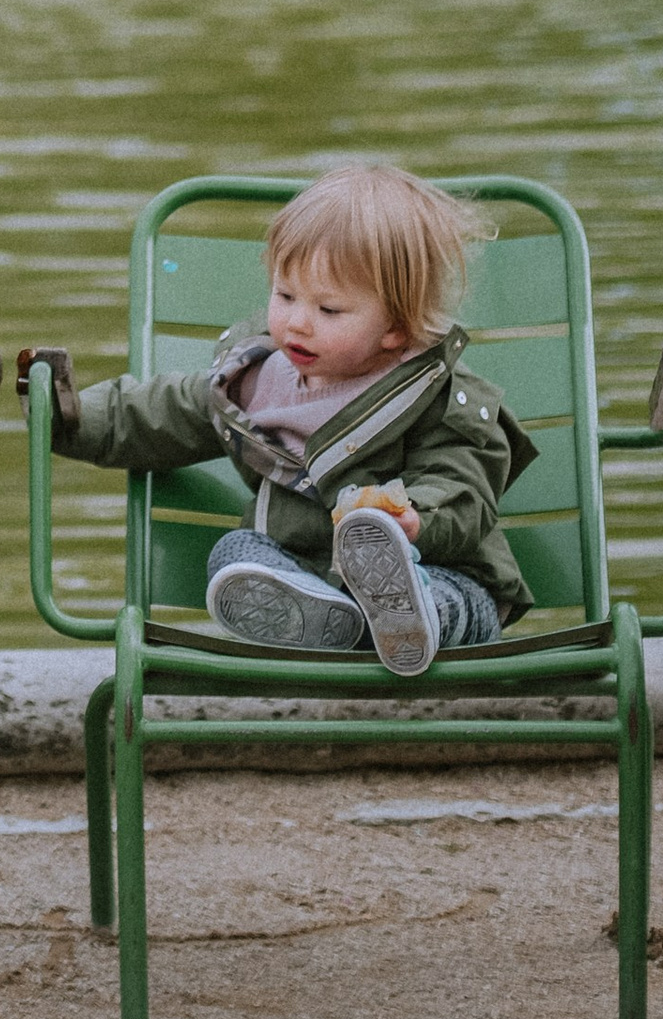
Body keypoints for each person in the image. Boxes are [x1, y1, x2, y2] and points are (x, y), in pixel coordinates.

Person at [41, 163, 534, 672]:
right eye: (285, 295)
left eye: (329, 310)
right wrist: (64, 416)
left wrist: (414, 518)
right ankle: (334, 625)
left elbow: (463, 488)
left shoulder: (440, 396)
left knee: (453, 604)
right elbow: (155, 413)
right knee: (234, 553)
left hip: (438, 571)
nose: (298, 322)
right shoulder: (254, 383)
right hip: (312, 581)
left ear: (395, 327)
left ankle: (406, 618)